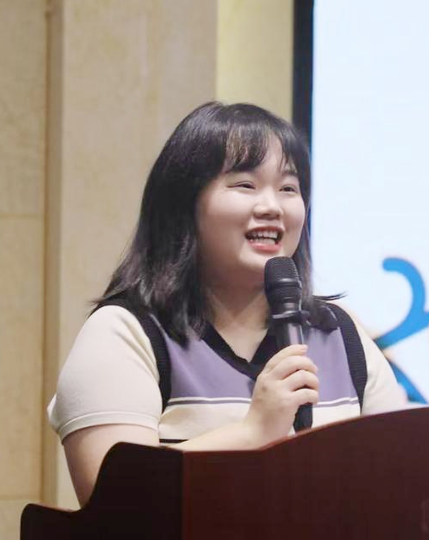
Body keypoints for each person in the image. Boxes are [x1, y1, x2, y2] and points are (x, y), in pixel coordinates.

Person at [48, 102, 408, 505]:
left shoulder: (339, 335)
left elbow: (409, 480)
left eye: (288, 188)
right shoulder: (125, 334)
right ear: (184, 205)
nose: (272, 206)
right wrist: (252, 433)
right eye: (245, 185)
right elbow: (113, 503)